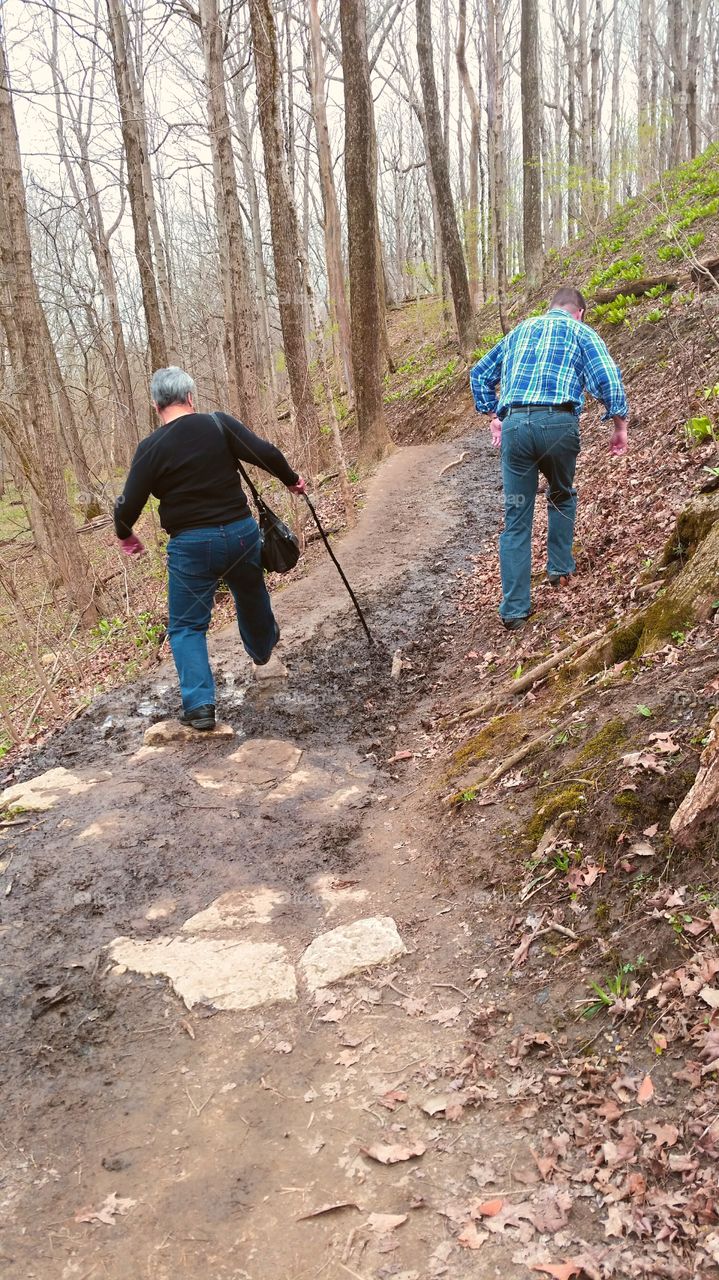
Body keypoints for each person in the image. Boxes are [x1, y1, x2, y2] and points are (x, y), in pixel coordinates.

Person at [114, 367, 306, 730]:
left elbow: (127, 505)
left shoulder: (150, 448)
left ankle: (200, 706)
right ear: (190, 397)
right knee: (250, 594)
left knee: (186, 626)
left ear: (156, 406)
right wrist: (292, 481)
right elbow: (266, 452)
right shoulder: (218, 424)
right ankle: (264, 656)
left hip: (191, 546)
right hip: (240, 534)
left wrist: (126, 534)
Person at [470, 286, 629, 631]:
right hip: (558, 427)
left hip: (515, 429)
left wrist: (491, 414)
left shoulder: (519, 331)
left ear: (551, 307)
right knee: (561, 494)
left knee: (516, 517)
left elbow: (480, 373)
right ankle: (559, 570)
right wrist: (619, 424)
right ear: (579, 312)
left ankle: (513, 610)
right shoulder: (580, 331)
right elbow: (607, 377)